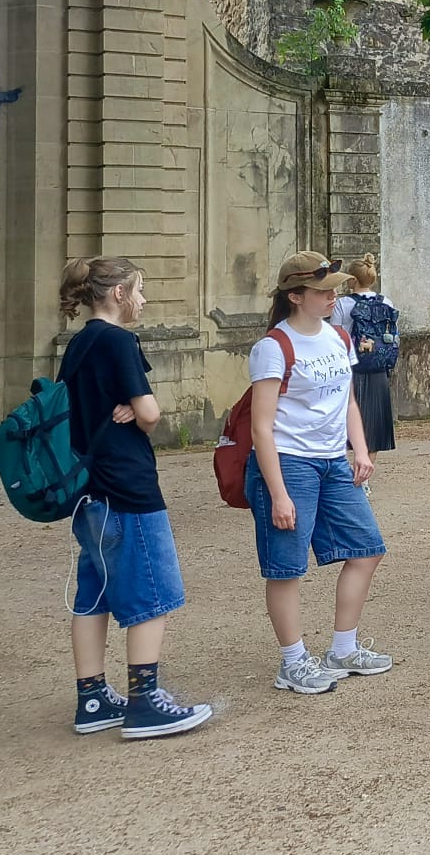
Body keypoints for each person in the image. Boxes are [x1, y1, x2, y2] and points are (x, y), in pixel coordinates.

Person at [57, 256, 213, 739]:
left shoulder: (78, 343)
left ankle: (92, 699)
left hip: (89, 488)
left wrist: (128, 406)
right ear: (119, 293)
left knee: (94, 594)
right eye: (139, 290)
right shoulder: (119, 341)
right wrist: (139, 408)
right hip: (128, 483)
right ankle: (145, 703)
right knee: (152, 591)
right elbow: (150, 414)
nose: (143, 300)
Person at [246, 253, 393, 696]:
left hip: (332, 462)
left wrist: (360, 450)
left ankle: (342, 650)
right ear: (295, 296)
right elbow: (261, 427)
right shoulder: (273, 347)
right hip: (290, 462)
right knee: (286, 567)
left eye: (334, 289)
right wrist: (278, 492)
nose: (333, 296)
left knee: (367, 549)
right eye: (323, 290)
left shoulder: (338, 337)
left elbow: (347, 401)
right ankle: (292, 662)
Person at [332, 253, 398, 456]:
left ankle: (345, 467)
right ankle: (366, 472)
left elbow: (335, 338)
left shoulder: (343, 304)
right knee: (374, 425)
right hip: (379, 367)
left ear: (352, 280)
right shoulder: (386, 302)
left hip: (351, 367)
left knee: (346, 419)